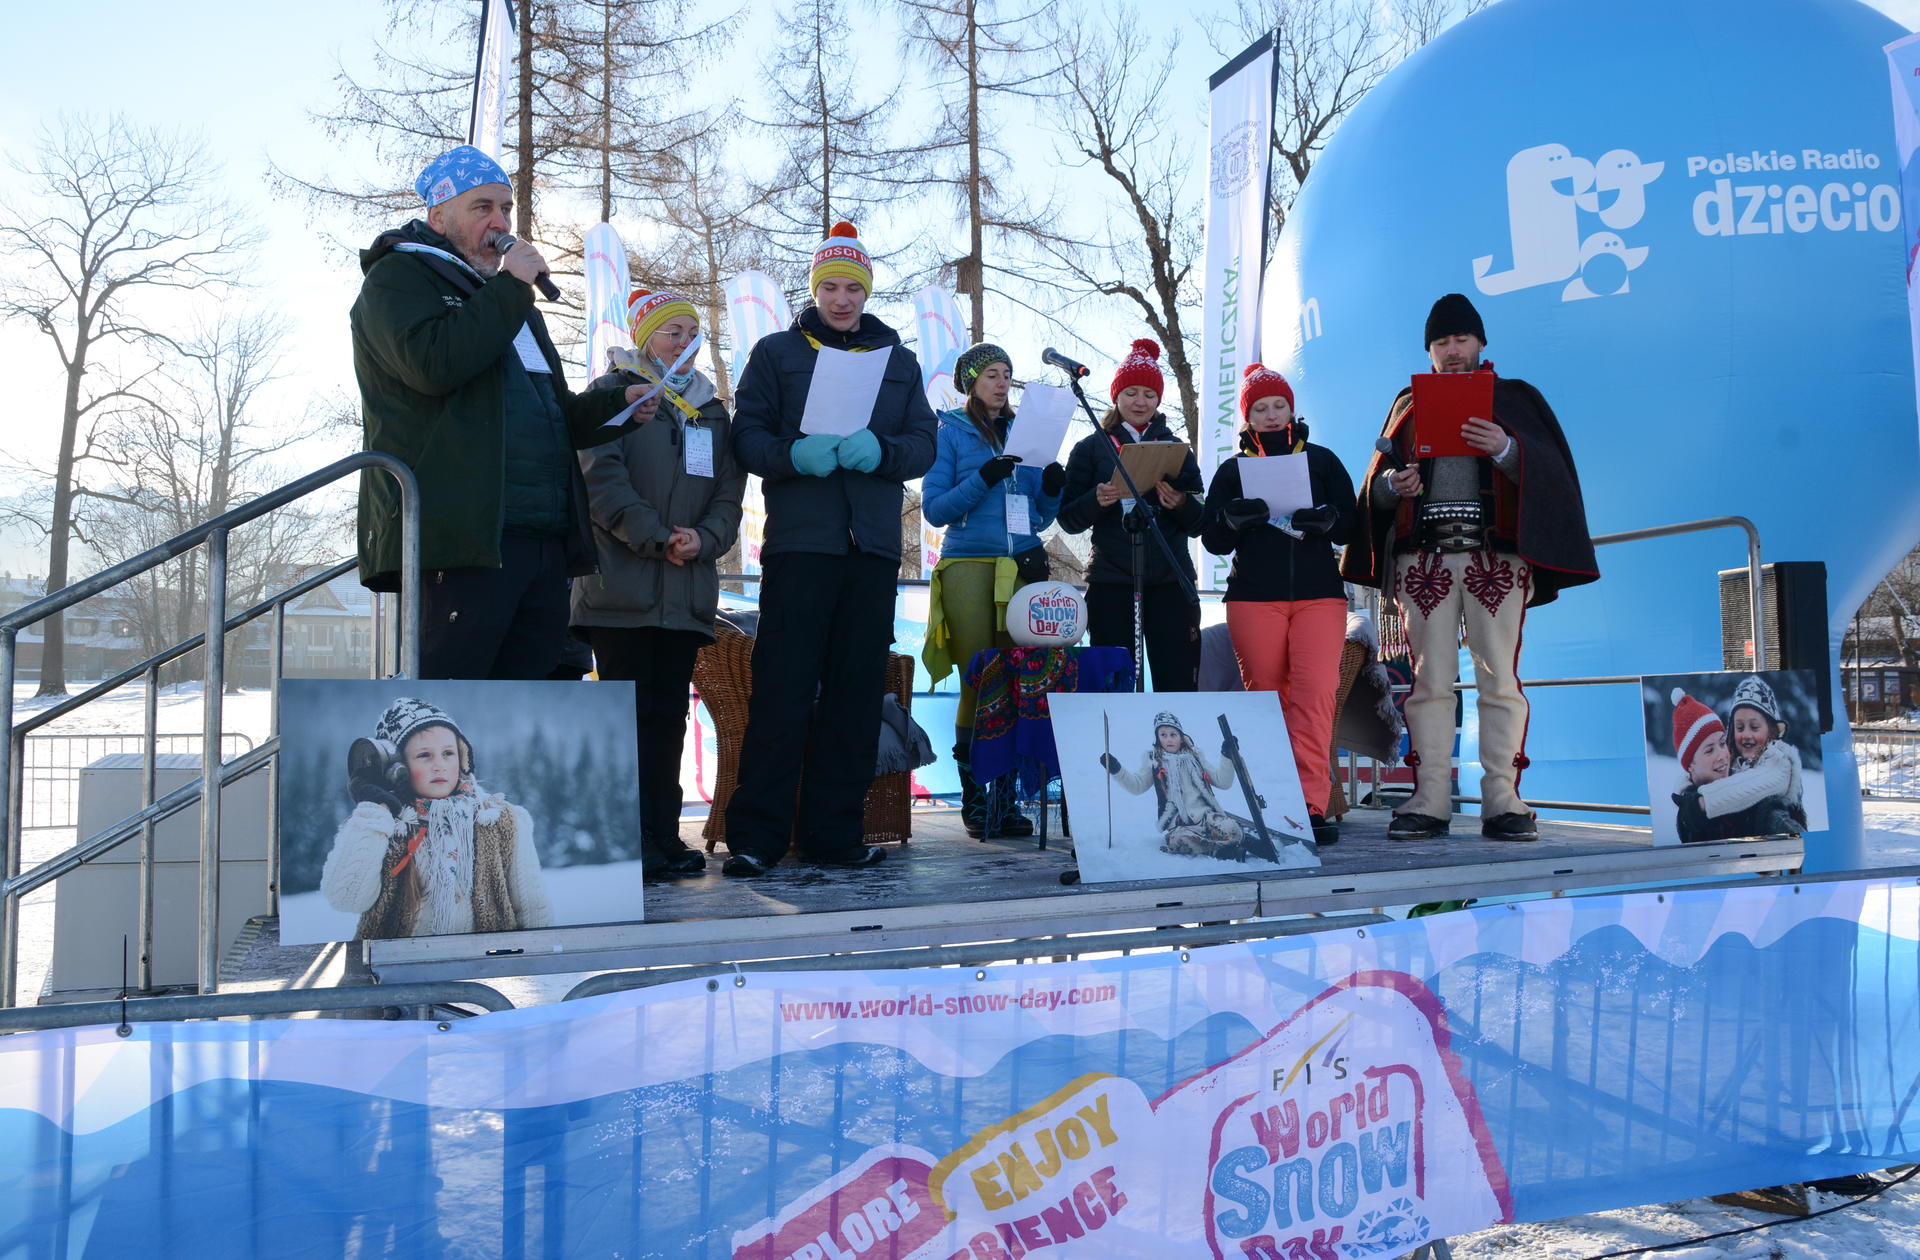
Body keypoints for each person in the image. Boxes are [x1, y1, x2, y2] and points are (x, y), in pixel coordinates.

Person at [350, 144, 658, 680]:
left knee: (524, 709)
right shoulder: (398, 279)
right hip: (461, 537)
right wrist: (512, 289)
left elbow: (553, 413)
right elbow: (434, 365)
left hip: (540, 539)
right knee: (454, 704)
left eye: (506, 208)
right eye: (483, 208)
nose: (500, 223)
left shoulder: (506, 300)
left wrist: (618, 404)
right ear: (439, 216)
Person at [721, 222, 938, 877]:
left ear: (866, 292)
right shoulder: (775, 353)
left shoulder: (898, 363)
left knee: (853, 694)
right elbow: (746, 435)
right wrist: (793, 455)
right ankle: (756, 836)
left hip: (871, 550)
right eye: (829, 287)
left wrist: (885, 452)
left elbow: (923, 442)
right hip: (800, 546)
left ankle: (834, 833)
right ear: (813, 289)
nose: (841, 299)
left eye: (852, 288)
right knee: (783, 690)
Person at [1342, 293, 1598, 842]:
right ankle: (1429, 799)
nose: (1452, 350)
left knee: (1498, 679)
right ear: (1429, 350)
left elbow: (1550, 473)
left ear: (1481, 342)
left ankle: (1502, 801)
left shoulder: (1514, 400)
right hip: (1424, 561)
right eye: (1441, 342)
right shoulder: (1407, 403)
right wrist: (1392, 486)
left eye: (1461, 339)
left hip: (1493, 560)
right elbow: (1376, 483)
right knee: (1429, 681)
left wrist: (1507, 448)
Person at [571, 288, 745, 881]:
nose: (684, 345)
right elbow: (601, 480)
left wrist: (705, 538)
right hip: (619, 591)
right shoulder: (613, 393)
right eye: (673, 333)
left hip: (684, 596)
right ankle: (626, 838)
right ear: (646, 338)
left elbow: (728, 493)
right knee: (627, 717)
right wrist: (657, 536)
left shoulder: (712, 412)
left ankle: (663, 834)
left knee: (668, 717)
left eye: (692, 335)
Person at [1201, 364, 1357, 845]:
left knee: (1315, 695)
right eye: (1260, 408)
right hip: (1254, 598)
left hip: (1319, 597)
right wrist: (1233, 520)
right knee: (1266, 700)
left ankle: (1311, 805)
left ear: (1292, 409)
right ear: (1247, 419)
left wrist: (1328, 520)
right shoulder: (1232, 471)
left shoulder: (1323, 461)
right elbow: (1211, 541)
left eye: (1278, 405)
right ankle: (1272, 800)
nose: (1270, 415)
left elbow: (1352, 526)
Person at [921, 342, 1065, 838]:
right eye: (991, 376)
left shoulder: (1027, 433)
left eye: (1007, 374)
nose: (1002, 384)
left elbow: (1043, 516)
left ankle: (1007, 801)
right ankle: (974, 798)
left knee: (1018, 681)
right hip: (968, 564)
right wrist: (984, 477)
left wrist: (1051, 485)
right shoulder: (952, 433)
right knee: (979, 678)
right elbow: (936, 509)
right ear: (971, 383)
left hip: (1021, 564)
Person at [320, 697, 553, 940]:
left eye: (448, 753)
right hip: (398, 969)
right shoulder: (381, 825)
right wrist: (375, 809)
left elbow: (534, 910)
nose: (440, 765)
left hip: (487, 966)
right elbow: (346, 899)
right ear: (396, 767)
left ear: (462, 757)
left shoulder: (499, 820)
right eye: (424, 755)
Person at [1058, 338, 1206, 690]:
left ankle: (1175, 744)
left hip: (1171, 580)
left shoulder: (1176, 448)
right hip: (1111, 579)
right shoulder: (1091, 447)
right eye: (1132, 392)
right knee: (1112, 683)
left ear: (1158, 400)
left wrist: (1180, 503)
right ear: (1116, 396)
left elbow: (1201, 521)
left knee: (1177, 681)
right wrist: (1096, 500)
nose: (1141, 402)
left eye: (1150, 395)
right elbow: (1067, 518)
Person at [1098, 712, 1256, 860]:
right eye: (1163, 735)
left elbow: (1223, 782)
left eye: (1173, 735)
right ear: (1157, 738)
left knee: (1232, 828)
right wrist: (1116, 769)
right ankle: (1222, 850)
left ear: (1181, 736)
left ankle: (1238, 839)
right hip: (1180, 824)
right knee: (1178, 841)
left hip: (1208, 817)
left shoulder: (1195, 757)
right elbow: (1137, 786)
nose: (1168, 740)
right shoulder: (1154, 762)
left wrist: (1227, 756)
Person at [1684, 675, 1807, 837]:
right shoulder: (1733, 763)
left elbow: (1751, 785)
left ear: (1772, 730)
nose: (1746, 735)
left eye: (1754, 727)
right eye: (1740, 728)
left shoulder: (1780, 761)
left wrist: (1701, 803)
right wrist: (1686, 786)